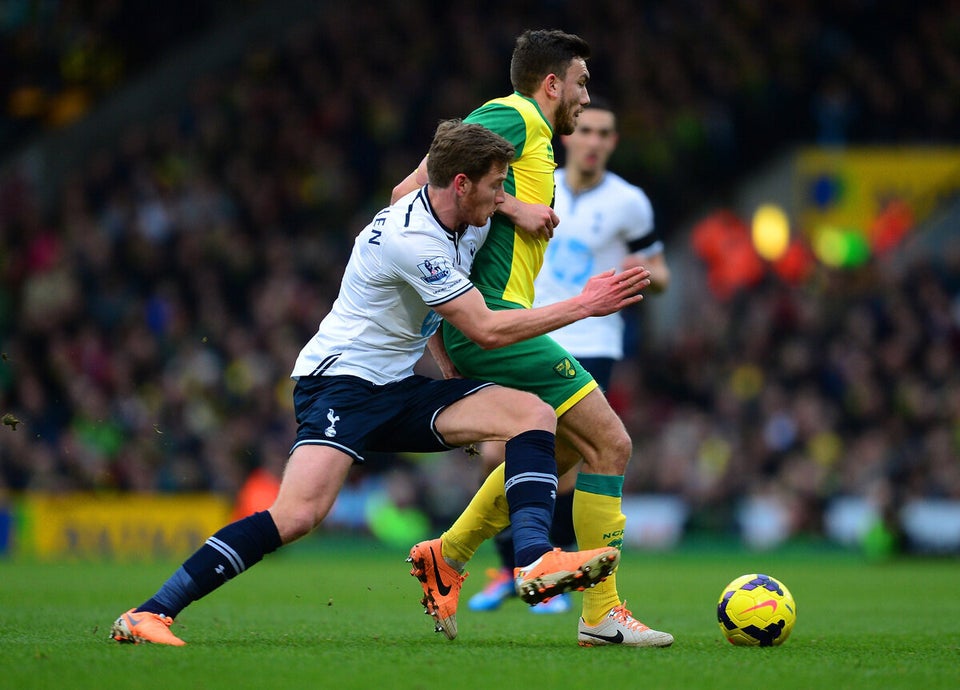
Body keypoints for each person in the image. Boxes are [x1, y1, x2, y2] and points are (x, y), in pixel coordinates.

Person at [109, 119, 652, 646]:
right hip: (340, 383)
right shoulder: (411, 237)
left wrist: (445, 358)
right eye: (494, 187)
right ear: (460, 185)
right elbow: (484, 328)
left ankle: (534, 558)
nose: (499, 197)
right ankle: (148, 613)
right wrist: (585, 305)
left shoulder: (462, 210)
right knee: (298, 515)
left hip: (397, 385)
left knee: (532, 413)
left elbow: (416, 200)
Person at [394, 30, 674, 647]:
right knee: (612, 443)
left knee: (571, 451)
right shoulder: (510, 115)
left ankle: (449, 554)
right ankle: (601, 615)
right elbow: (407, 196)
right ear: (552, 85)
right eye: (581, 84)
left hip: (500, 318)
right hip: (488, 319)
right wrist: (513, 208)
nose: (585, 96)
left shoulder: (539, 139)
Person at [467, 99, 671, 615]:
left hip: (592, 339)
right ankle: (512, 566)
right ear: (569, 138)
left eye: (606, 133)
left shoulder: (630, 202)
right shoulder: (538, 183)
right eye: (587, 131)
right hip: (534, 327)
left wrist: (641, 271)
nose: (595, 141)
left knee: (570, 458)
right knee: (499, 451)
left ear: (613, 142)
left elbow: (660, 270)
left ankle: (547, 566)